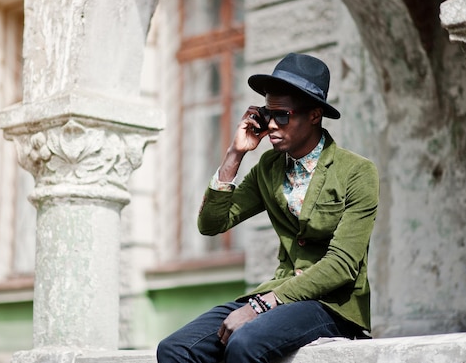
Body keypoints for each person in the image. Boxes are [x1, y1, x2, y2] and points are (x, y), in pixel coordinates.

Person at [157, 53, 379, 363]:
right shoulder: (269, 168)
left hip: (332, 304)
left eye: (283, 115)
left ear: (314, 115)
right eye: (266, 113)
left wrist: (260, 306)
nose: (271, 125)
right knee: (175, 350)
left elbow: (342, 265)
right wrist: (235, 154)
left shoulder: (355, 171)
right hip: (278, 297)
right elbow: (211, 224)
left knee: (245, 343)